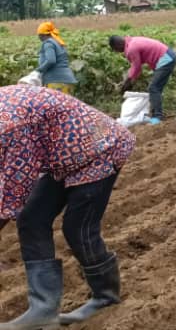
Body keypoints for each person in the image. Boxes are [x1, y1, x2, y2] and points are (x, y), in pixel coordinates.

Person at [0, 85, 135, 329]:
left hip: (100, 149)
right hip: (64, 153)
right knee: (32, 220)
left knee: (78, 228)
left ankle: (106, 297)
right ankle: (43, 310)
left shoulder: (10, 127)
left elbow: (15, 189)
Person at [109, 35, 175, 125]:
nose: (117, 52)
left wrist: (128, 82)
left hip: (165, 59)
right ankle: (156, 113)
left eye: (115, 49)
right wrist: (129, 80)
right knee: (156, 88)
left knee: (153, 88)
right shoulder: (132, 41)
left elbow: (137, 68)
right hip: (167, 56)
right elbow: (135, 66)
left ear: (117, 45)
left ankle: (157, 117)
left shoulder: (131, 48)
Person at [35, 22, 77, 94]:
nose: (38, 37)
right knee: (65, 104)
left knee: (55, 104)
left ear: (42, 35)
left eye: (39, 35)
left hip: (56, 81)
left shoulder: (48, 44)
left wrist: (39, 70)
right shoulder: (58, 42)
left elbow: (51, 60)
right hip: (66, 80)